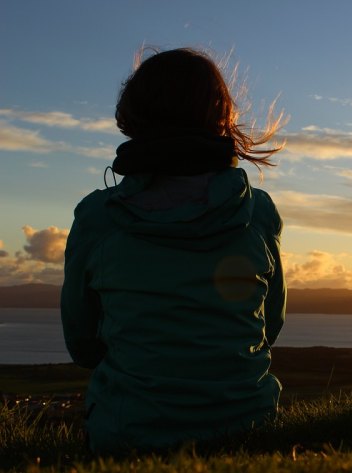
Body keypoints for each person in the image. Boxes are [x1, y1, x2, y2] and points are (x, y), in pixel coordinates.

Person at [60, 48, 287, 454]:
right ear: (221, 116)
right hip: (249, 432)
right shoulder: (257, 213)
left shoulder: (98, 218)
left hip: (127, 437)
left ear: (133, 117)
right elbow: (268, 328)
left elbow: (82, 345)